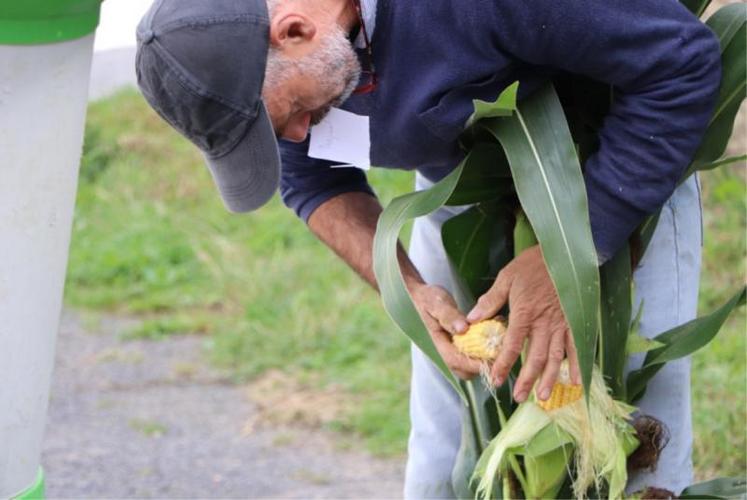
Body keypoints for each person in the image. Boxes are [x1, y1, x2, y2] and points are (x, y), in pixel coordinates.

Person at [135, 0, 721, 497]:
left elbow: (680, 65)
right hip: (457, 182)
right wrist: (408, 290)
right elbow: (312, 181)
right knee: (445, 453)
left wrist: (567, 252)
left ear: (294, 31)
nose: (295, 137)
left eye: (290, 116)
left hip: (620, 173)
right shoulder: (283, 68)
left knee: (641, 436)